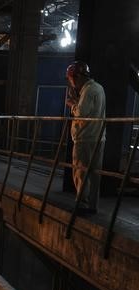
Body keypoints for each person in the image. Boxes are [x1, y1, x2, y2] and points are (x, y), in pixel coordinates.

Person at [65, 61, 106, 216]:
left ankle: (82, 205)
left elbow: (82, 112)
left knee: (81, 171)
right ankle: (92, 205)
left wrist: (71, 104)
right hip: (98, 137)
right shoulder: (99, 88)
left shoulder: (88, 90)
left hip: (85, 138)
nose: (70, 82)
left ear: (76, 77)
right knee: (95, 173)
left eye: (70, 79)